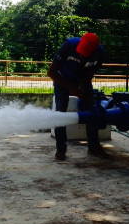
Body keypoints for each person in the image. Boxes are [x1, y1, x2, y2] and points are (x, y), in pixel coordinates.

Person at [47, 32, 109, 161]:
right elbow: (51, 72)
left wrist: (82, 86)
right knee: (60, 114)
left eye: (85, 54)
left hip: (82, 80)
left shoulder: (99, 53)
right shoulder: (68, 45)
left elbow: (89, 74)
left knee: (91, 112)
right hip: (62, 80)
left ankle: (94, 147)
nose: (81, 56)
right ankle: (61, 149)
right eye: (80, 52)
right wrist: (71, 88)